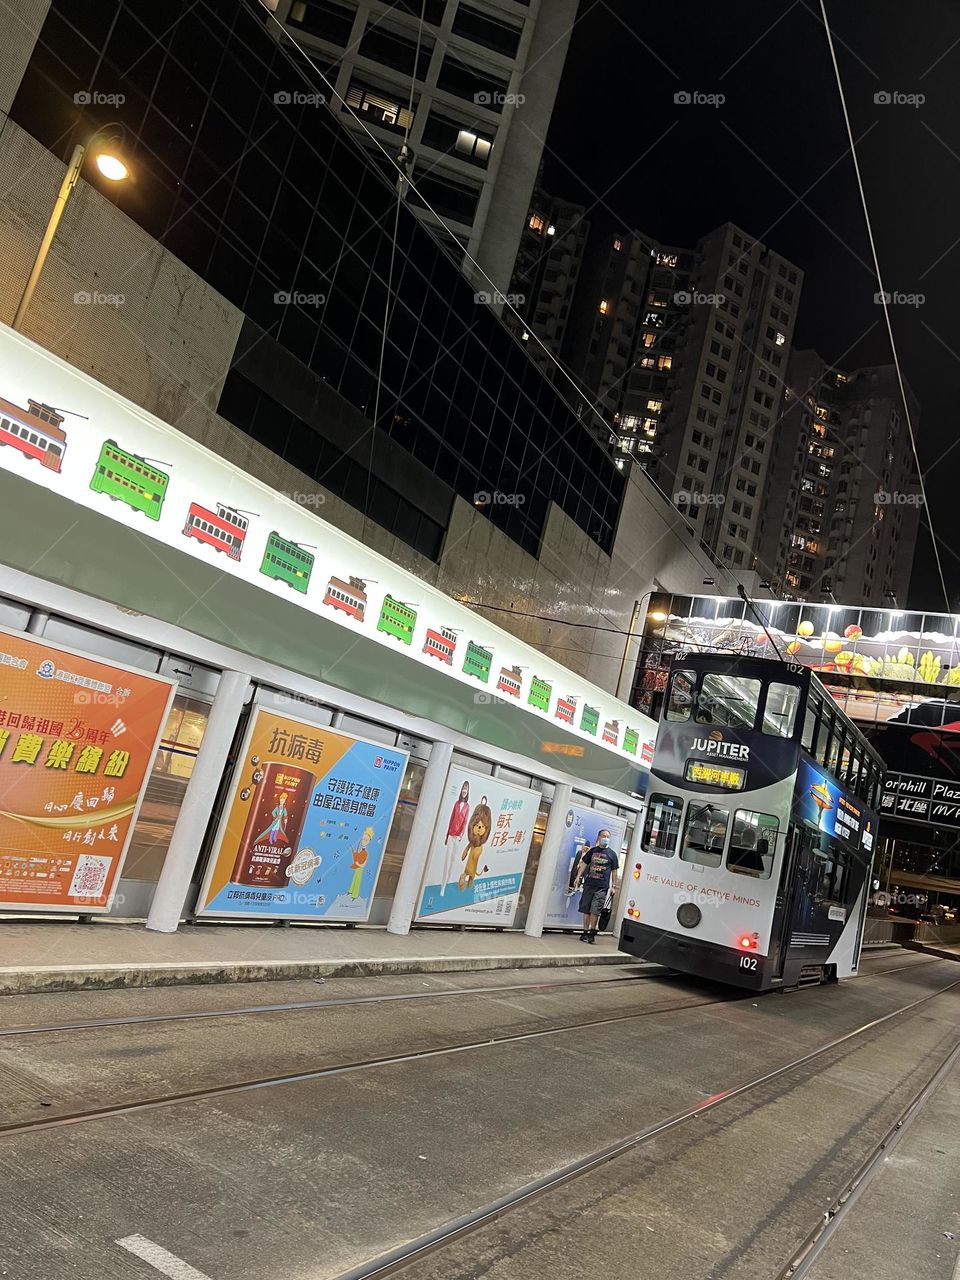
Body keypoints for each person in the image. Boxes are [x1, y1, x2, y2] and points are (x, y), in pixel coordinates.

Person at [576, 829, 619, 943]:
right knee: (586, 910)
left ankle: (592, 933)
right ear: (599, 837)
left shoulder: (612, 854)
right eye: (604, 836)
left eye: (608, 836)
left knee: (595, 911)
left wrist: (614, 886)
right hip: (589, 884)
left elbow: (614, 871)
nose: (606, 838)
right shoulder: (592, 851)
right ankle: (584, 933)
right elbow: (584, 864)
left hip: (602, 887)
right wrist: (578, 876)